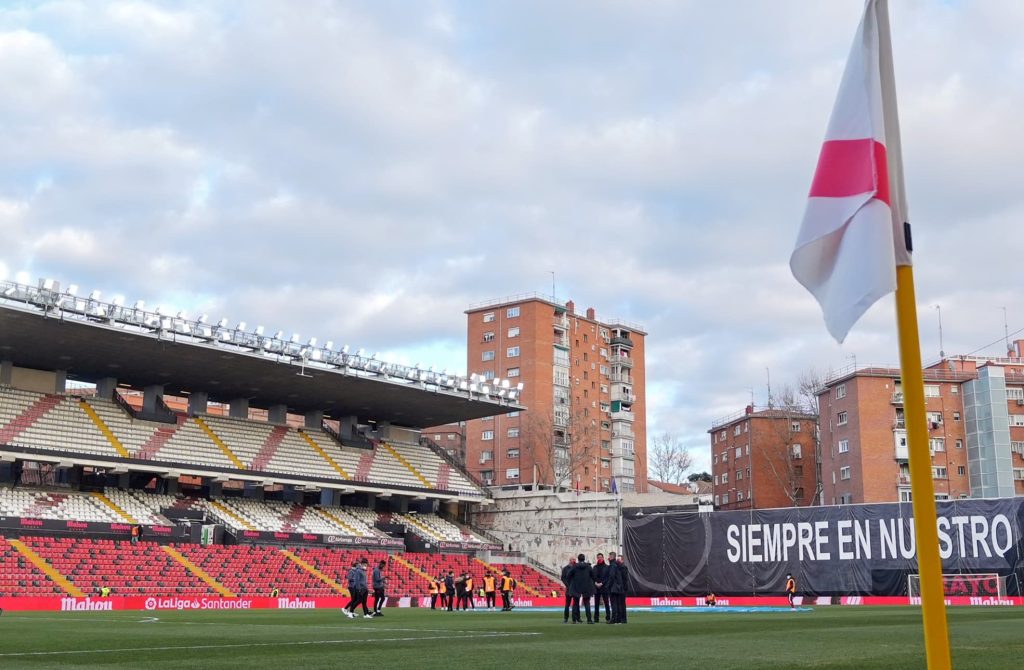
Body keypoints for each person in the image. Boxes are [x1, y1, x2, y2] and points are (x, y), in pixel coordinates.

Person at [570, 553, 595, 624]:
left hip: (576, 587)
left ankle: (574, 620)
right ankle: (589, 620)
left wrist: (571, 583)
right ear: (584, 559)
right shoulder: (588, 566)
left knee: (575, 603)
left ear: (578, 559)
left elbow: (569, 575)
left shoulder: (575, 566)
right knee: (587, 604)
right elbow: (593, 576)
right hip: (587, 587)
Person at [591, 553, 610, 623]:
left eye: (600, 557)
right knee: (596, 604)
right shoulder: (594, 567)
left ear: (603, 558)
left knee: (606, 603)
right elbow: (592, 577)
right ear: (597, 558)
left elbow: (608, 577)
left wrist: (602, 583)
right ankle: (596, 618)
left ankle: (608, 617)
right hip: (596, 587)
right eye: (598, 557)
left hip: (604, 587)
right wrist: (595, 583)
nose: (599, 558)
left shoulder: (607, 567)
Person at [609, 554, 628, 624]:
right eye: (617, 560)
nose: (618, 561)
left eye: (619, 559)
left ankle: (623, 619)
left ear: (622, 560)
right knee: (619, 604)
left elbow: (624, 579)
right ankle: (619, 618)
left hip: (622, 588)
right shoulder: (619, 567)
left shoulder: (623, 567)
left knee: (622, 604)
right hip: (620, 588)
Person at [560, 556, 577, 623]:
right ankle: (566, 618)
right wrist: (568, 585)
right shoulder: (565, 568)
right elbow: (563, 578)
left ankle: (575, 618)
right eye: (573, 559)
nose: (574, 560)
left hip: (575, 588)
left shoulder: (577, 568)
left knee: (575, 604)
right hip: (569, 588)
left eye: (575, 559)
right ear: (569, 560)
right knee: (567, 604)